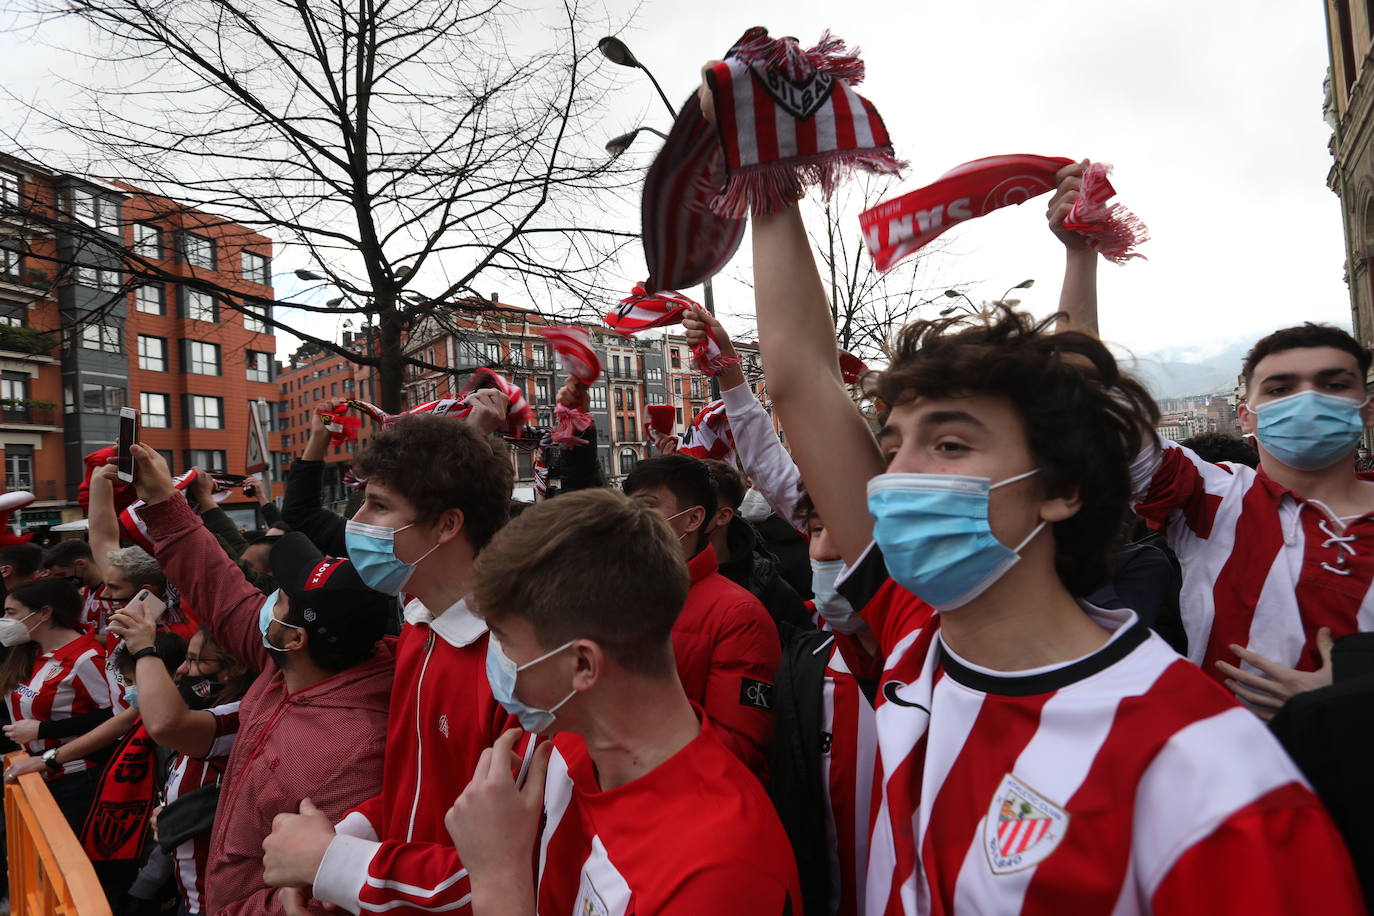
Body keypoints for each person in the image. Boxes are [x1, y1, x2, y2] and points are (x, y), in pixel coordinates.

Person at [734, 137, 1365, 911]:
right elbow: (800, 375)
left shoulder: (1205, 772)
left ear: (1061, 489)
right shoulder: (913, 632)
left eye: (951, 444)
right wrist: (769, 171)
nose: (894, 479)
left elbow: (1078, 401)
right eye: (891, 446)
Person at [441, 488, 802, 915]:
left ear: (583, 665)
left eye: (503, 642)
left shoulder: (719, 871)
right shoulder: (568, 748)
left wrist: (498, 881)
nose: (495, 661)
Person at [261, 412, 515, 916]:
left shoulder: (518, 664)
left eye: (378, 506)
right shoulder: (419, 629)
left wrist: (335, 865)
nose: (355, 523)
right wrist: (341, 843)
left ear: (448, 524)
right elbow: (413, 794)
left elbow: (510, 871)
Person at [126, 442, 395, 916]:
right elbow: (221, 589)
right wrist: (164, 500)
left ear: (294, 638)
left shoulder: (355, 750)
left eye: (281, 599)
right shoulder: (287, 665)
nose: (263, 601)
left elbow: (310, 895)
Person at [621, 455, 781, 776]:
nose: (630, 520)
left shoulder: (739, 616)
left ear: (693, 519)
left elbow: (738, 750)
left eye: (647, 507)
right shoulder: (614, 597)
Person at [108, 600, 257, 916]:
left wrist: (145, 651)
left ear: (233, 669)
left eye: (194, 661)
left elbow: (165, 723)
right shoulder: (203, 716)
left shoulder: (244, 717)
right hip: (191, 896)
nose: (181, 671)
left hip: (217, 904)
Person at [0, 578, 111, 831]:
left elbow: (113, 716)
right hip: (35, 771)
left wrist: (43, 731)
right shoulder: (29, 650)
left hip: (76, 779)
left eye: (11, 612)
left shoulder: (86, 658)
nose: (5, 620)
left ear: (45, 613)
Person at [700, 457, 811, 630]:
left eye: (759, 486)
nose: (753, 493)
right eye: (750, 484)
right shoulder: (748, 539)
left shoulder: (765, 578)